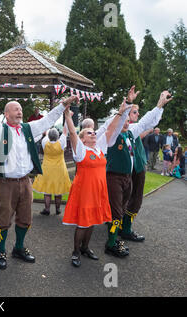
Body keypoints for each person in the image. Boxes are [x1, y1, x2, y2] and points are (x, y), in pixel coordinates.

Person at [0, 83, 78, 270]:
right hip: (6, 184)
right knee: (3, 219)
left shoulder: (29, 128)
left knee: (26, 218)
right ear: (7, 114)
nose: (19, 112)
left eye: (20, 109)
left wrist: (62, 104)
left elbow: (48, 120)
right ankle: (1, 251)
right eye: (15, 110)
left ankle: (18, 247)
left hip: (26, 181)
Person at [63, 99, 132, 267]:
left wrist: (121, 111)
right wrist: (67, 115)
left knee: (92, 221)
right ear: (83, 139)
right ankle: (76, 251)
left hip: (98, 191)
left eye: (93, 133)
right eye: (88, 133)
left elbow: (109, 129)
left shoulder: (100, 147)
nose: (93, 134)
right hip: (85, 191)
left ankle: (85, 248)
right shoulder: (81, 150)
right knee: (82, 223)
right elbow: (72, 133)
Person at [105, 89, 172, 258]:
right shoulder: (112, 135)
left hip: (126, 177)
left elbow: (143, 123)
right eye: (125, 120)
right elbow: (124, 124)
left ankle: (117, 237)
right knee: (116, 212)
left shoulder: (129, 133)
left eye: (129, 120)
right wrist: (127, 103)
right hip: (114, 176)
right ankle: (111, 243)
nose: (127, 123)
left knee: (123, 208)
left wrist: (159, 105)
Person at [123, 102, 165, 244]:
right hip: (134, 168)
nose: (138, 114)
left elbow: (151, 122)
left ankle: (120, 226)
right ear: (126, 115)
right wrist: (159, 105)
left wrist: (160, 107)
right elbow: (147, 122)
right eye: (134, 112)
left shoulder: (131, 128)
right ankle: (125, 230)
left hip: (136, 166)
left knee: (128, 198)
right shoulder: (129, 128)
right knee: (134, 198)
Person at [32, 126, 71, 216]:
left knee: (47, 190)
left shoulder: (45, 142)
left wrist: (47, 125)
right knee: (58, 190)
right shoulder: (61, 142)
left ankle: (47, 209)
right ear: (58, 136)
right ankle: (57, 209)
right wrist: (67, 118)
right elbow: (65, 132)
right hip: (59, 168)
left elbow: (46, 133)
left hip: (47, 168)